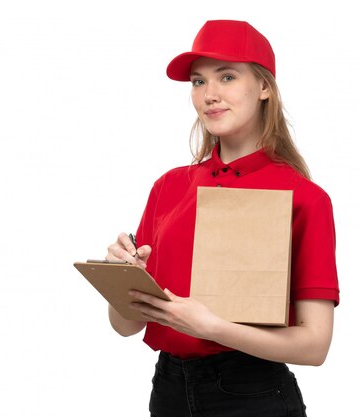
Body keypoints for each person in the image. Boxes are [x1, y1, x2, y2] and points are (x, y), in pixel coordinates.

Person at [105, 19, 339, 417]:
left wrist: (212, 328)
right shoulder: (170, 186)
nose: (210, 95)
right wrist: (122, 278)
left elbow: (315, 346)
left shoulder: (304, 198)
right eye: (198, 82)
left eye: (227, 77)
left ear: (264, 87)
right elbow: (126, 326)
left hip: (251, 395)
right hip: (168, 392)